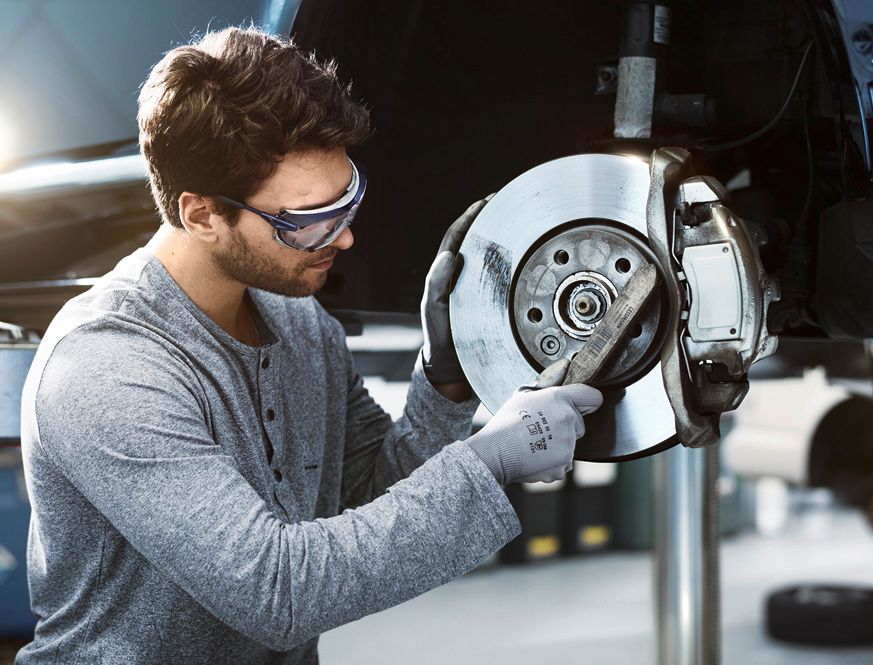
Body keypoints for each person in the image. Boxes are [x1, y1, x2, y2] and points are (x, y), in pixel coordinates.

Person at [15, 26, 602, 664]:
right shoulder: (108, 365)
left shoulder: (301, 325)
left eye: (348, 199)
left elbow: (374, 496)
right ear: (202, 214)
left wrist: (447, 374)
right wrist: (490, 461)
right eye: (308, 221)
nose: (343, 238)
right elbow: (279, 592)